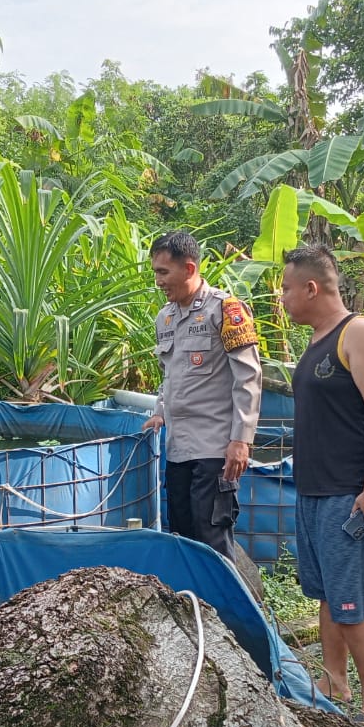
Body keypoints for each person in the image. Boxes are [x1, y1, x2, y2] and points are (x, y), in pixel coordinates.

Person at [281, 244, 364, 727]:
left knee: (354, 600)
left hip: (345, 494)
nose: (283, 298)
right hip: (312, 491)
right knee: (331, 594)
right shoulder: (316, 342)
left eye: (287, 288)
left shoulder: (360, 333)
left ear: (312, 287)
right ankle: (333, 681)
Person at [142, 231, 263, 561]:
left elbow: (248, 376)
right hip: (178, 449)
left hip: (215, 448)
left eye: (163, 272)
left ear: (189, 268)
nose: (158, 281)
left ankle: (226, 611)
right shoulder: (164, 318)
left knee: (212, 537)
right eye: (155, 272)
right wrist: (159, 411)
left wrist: (241, 440)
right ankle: (193, 608)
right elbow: (170, 376)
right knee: (181, 535)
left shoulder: (225, 310)